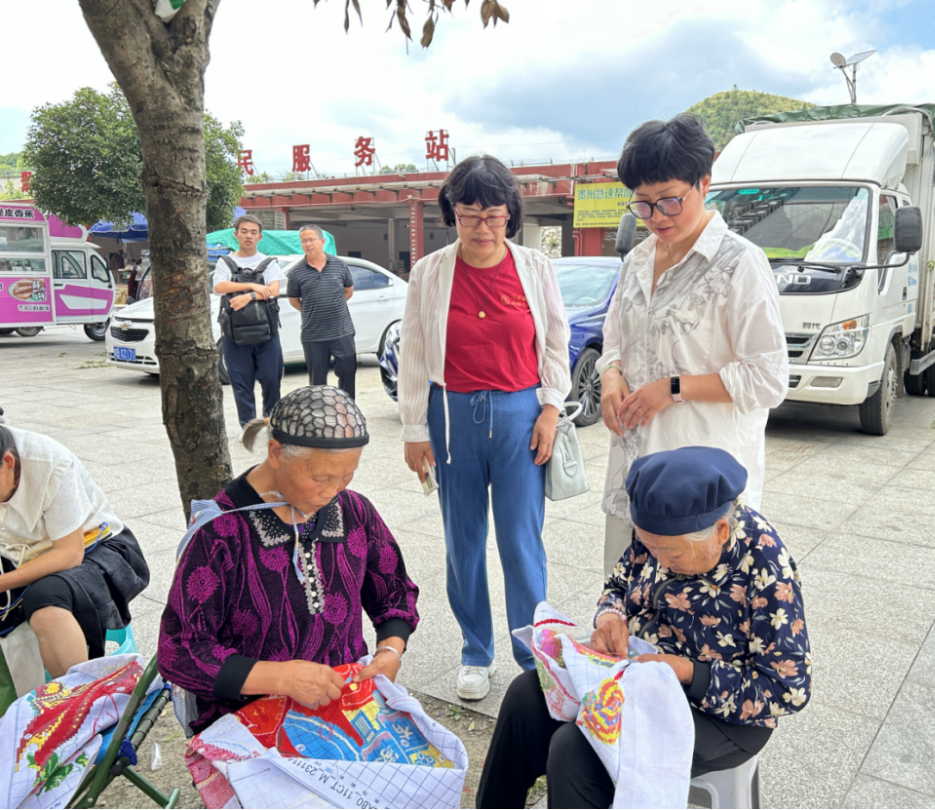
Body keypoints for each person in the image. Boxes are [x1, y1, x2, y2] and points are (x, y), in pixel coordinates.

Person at [476, 447, 811, 809]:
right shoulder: (660, 533)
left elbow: (787, 690)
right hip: (635, 676)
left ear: (720, 531)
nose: (660, 561)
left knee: (575, 751)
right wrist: (610, 617)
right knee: (526, 696)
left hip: (720, 715)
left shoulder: (767, 569)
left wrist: (685, 671)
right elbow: (618, 585)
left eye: (673, 555)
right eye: (652, 549)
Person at [398, 155, 571, 700]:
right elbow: (414, 351)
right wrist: (413, 428)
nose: (481, 227)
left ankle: (532, 654)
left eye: (493, 215)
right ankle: (476, 651)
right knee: (464, 539)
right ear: (451, 213)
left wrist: (551, 409)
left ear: (510, 215)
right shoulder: (429, 272)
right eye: (468, 214)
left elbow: (556, 342)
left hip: (521, 415)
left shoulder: (535, 267)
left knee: (521, 540)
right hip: (452, 417)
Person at [158, 386, 419, 734]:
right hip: (248, 723)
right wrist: (279, 677)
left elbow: (395, 592)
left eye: (346, 476)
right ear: (276, 452)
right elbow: (180, 650)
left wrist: (390, 651)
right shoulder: (220, 532)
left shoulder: (353, 511)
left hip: (344, 709)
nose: (332, 492)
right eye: (320, 478)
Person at [598, 114, 788, 574]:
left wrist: (672, 389)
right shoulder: (637, 261)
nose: (656, 217)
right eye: (643, 204)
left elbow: (768, 379)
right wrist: (610, 376)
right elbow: (614, 337)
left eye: (669, 200)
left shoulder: (740, 264)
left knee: (694, 608)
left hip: (701, 486)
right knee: (624, 601)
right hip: (635, 471)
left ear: (704, 182)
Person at [0, 422, 150, 677]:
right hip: (16, 551)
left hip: (91, 548)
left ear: (8, 462)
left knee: (45, 602)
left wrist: (3, 582)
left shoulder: (50, 463)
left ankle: (79, 697)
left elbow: (69, 554)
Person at [212, 214, 286, 427]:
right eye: (244, 231)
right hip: (235, 334)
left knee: (271, 379)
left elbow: (273, 290)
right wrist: (253, 286)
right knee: (241, 383)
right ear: (236, 234)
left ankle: (272, 423)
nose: (248, 236)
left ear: (260, 237)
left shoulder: (268, 262)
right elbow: (219, 287)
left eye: (253, 232)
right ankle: (248, 426)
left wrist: (249, 297)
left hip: (267, 333)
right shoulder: (225, 262)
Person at [286, 225, 357, 399]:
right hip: (313, 335)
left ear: (322, 241)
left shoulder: (339, 265)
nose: (308, 244)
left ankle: (348, 411)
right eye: (304, 241)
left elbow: (348, 290)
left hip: (342, 332)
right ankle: (320, 414)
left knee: (348, 374)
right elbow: (294, 300)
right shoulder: (295, 272)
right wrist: (312, 310)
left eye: (311, 239)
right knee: (317, 384)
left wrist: (333, 305)